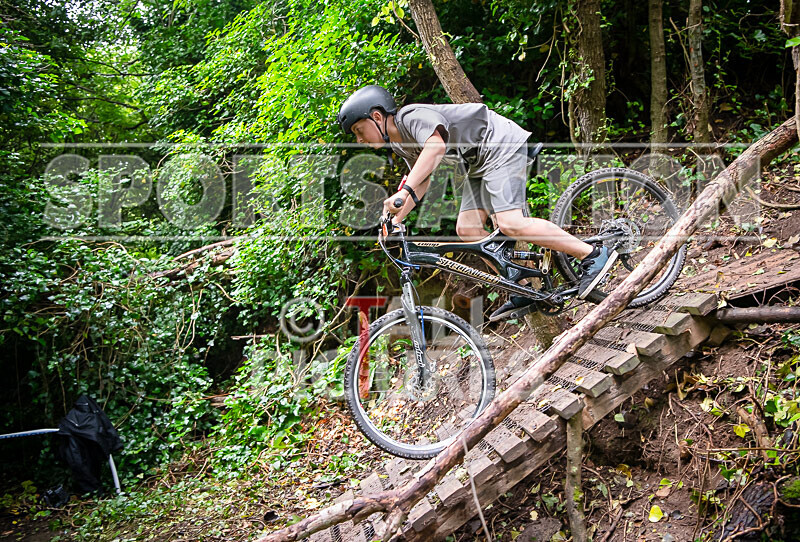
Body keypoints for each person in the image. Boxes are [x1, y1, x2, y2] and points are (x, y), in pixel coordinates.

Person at [337, 84, 617, 321]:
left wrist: (403, 191)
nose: (360, 139)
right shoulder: (400, 143)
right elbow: (421, 180)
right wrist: (395, 219)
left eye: (360, 130)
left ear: (377, 116)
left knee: (510, 223)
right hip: (478, 162)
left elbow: (436, 148)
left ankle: (592, 254)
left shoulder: (410, 117)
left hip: (499, 144)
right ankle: (518, 285)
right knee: (468, 229)